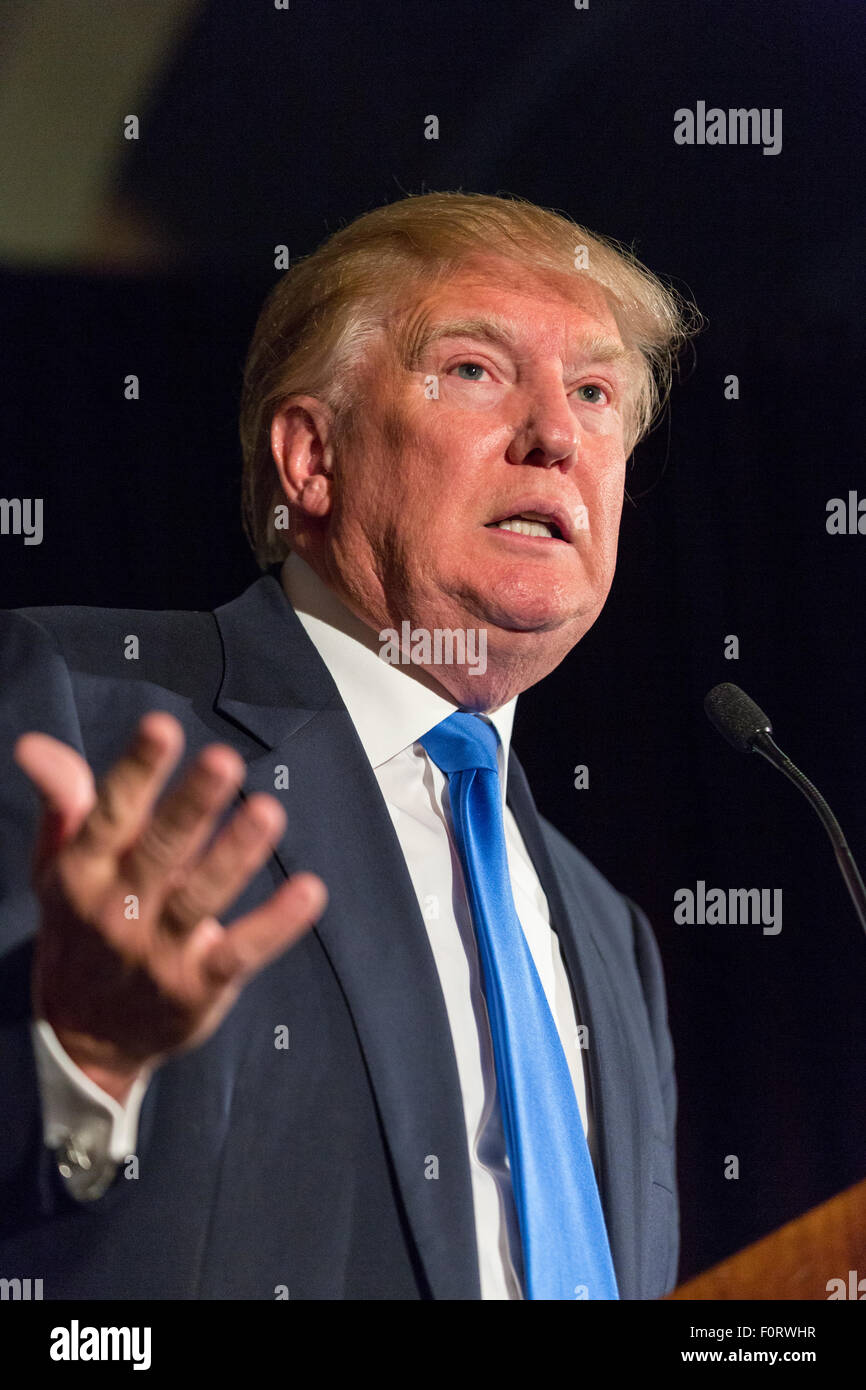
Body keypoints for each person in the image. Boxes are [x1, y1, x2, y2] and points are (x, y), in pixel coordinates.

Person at [0, 192, 696, 1300]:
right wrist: (80, 1054)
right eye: (473, 369)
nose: (556, 434)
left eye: (595, 391)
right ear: (311, 458)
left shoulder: (610, 935)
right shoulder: (72, 711)